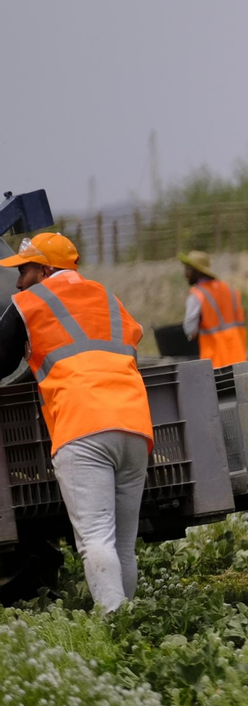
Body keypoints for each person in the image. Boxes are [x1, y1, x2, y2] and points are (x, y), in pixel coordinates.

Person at [0, 233, 152, 610]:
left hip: (82, 425)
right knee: (122, 543)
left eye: (25, 270)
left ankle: (115, 624)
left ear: (46, 269)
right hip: (134, 426)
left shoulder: (29, 302)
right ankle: (130, 623)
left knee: (96, 539)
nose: (18, 281)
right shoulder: (108, 298)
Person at [179, 250, 247, 368]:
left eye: (188, 269)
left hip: (215, 363)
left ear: (197, 272)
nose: (185, 274)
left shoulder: (197, 296)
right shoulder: (230, 290)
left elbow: (190, 330)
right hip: (239, 359)